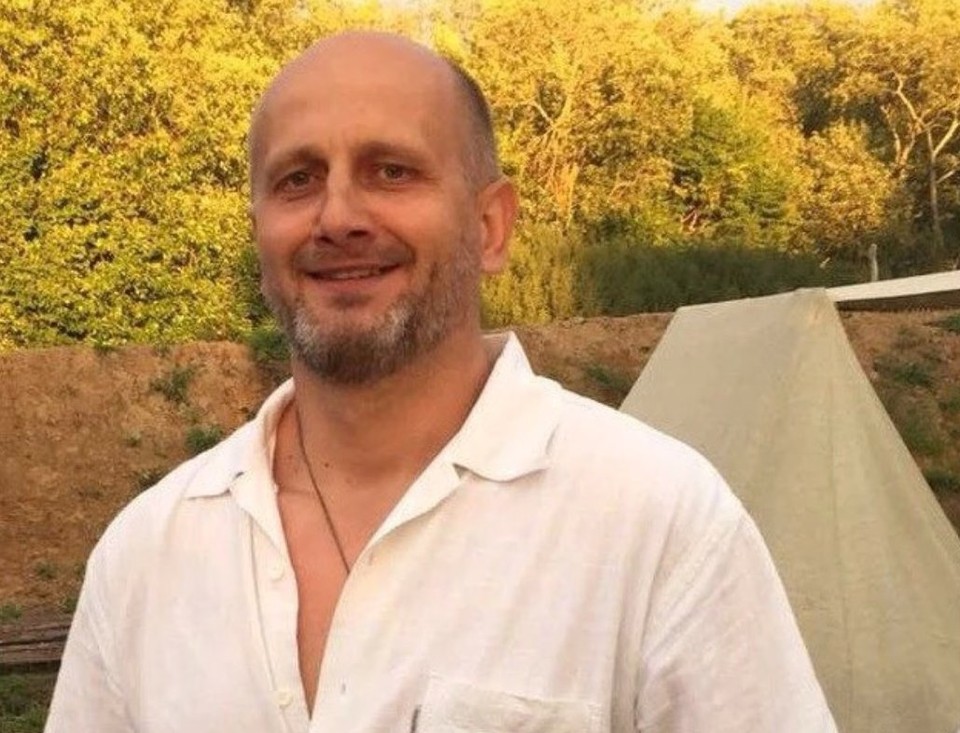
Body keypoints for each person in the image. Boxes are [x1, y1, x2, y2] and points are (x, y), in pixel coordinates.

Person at [46, 31, 836, 733]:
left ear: (490, 227)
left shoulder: (655, 524)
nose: (338, 216)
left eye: (391, 171)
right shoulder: (147, 555)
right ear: (259, 232)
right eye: (297, 179)